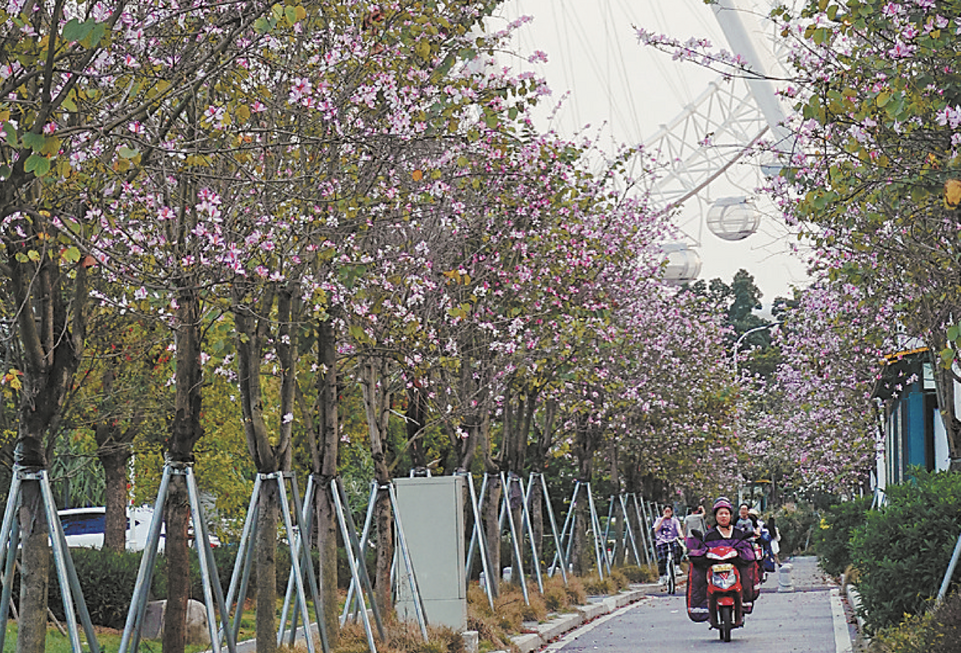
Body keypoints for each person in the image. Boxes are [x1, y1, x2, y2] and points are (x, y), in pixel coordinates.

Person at [653, 505, 683, 584]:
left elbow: (678, 529)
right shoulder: (658, 520)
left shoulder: (675, 520)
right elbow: (655, 530)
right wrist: (663, 519)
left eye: (669, 511)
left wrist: (681, 535)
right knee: (662, 559)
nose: (667, 513)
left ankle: (677, 567)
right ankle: (662, 576)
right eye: (665, 511)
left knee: (678, 549)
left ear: (672, 512)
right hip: (661, 541)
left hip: (672, 540)